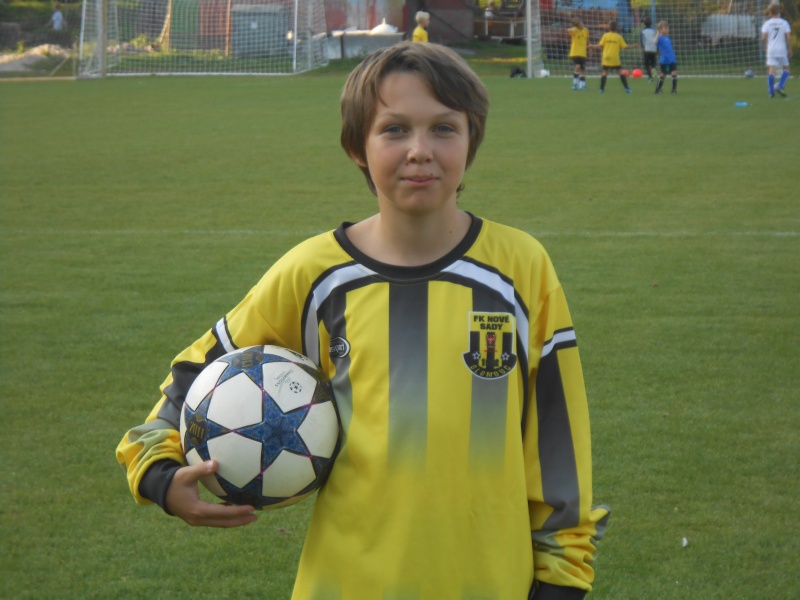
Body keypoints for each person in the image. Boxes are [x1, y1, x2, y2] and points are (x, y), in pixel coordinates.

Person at [116, 42, 610, 599]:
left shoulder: (520, 270)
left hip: (491, 583)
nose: (419, 151)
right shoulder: (313, 274)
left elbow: (559, 441)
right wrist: (158, 474)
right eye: (394, 130)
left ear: (471, 141)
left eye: (444, 128)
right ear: (357, 146)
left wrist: (562, 579)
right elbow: (194, 377)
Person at [590, 20, 636, 94]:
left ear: (609, 28)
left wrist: (592, 46)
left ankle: (601, 89)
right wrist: (633, 46)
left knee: (605, 72)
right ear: (616, 28)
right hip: (614, 58)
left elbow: (600, 45)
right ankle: (627, 88)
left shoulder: (605, 35)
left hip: (606, 57)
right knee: (620, 72)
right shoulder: (618, 37)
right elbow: (625, 47)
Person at [761, 3, 792, 98]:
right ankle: (780, 86)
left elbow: (763, 38)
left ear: (770, 12)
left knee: (771, 70)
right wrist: (790, 48)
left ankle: (771, 92)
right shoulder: (784, 23)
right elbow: (788, 37)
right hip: (782, 49)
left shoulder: (767, 23)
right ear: (779, 11)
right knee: (786, 68)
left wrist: (764, 46)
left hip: (771, 49)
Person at [654, 21, 678, 94]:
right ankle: (658, 89)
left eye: (667, 28)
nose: (667, 29)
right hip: (665, 59)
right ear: (660, 29)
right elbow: (654, 42)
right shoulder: (659, 38)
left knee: (674, 73)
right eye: (665, 28)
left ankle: (674, 90)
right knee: (663, 74)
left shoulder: (668, 38)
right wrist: (657, 34)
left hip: (672, 58)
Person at [568, 17, 590, 90]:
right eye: (580, 24)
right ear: (577, 25)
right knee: (578, 66)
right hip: (575, 52)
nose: (582, 25)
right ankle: (575, 84)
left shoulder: (586, 30)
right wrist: (572, 29)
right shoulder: (574, 30)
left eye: (582, 23)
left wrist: (590, 49)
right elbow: (568, 31)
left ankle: (582, 85)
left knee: (583, 69)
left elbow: (588, 40)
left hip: (583, 53)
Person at [639, 16, 657, 82]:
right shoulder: (654, 31)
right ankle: (653, 68)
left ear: (644, 24)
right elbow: (656, 39)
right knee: (653, 62)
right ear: (651, 23)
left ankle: (650, 77)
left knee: (646, 64)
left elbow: (642, 41)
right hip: (654, 49)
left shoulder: (642, 31)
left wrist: (642, 48)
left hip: (646, 49)